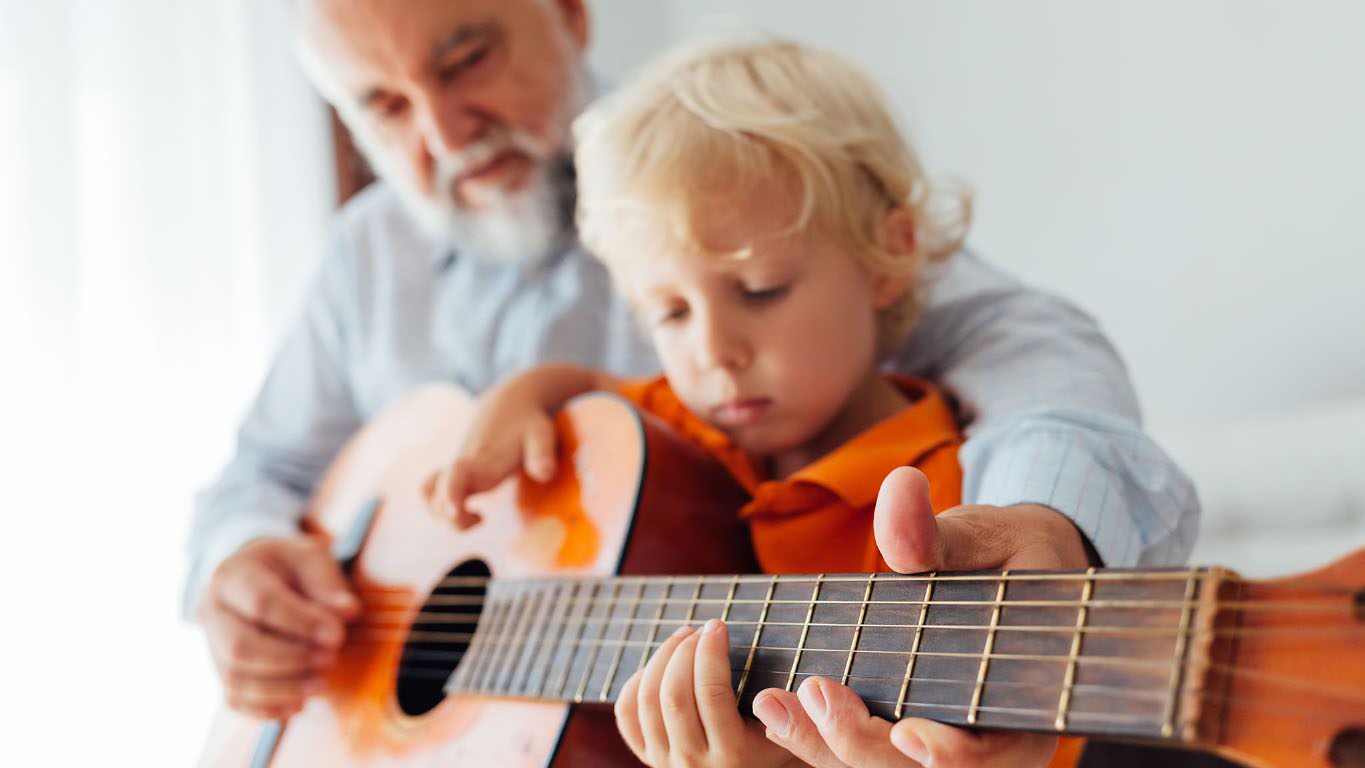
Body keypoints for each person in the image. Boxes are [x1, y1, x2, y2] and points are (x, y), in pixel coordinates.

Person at [187, 1, 1198, 765]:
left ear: (569, 14)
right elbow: (259, 476)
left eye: (469, 59)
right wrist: (243, 566)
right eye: (383, 105)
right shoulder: (363, 255)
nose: (445, 136)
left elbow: (1021, 338)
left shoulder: (732, 166)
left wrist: (1052, 526)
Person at [434, 37, 1086, 768]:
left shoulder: (942, 512)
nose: (714, 351)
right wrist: (517, 399)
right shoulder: (678, 429)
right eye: (670, 314)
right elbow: (585, 392)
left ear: (888, 256)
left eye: (759, 290)